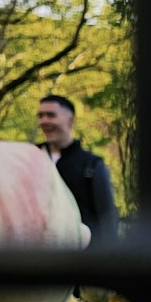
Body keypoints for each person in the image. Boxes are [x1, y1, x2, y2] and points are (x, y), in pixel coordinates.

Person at [36, 94, 118, 240]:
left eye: (51, 115)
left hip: (83, 257)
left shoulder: (92, 165)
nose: (44, 121)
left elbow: (107, 218)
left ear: (71, 119)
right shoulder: (31, 158)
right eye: (40, 116)